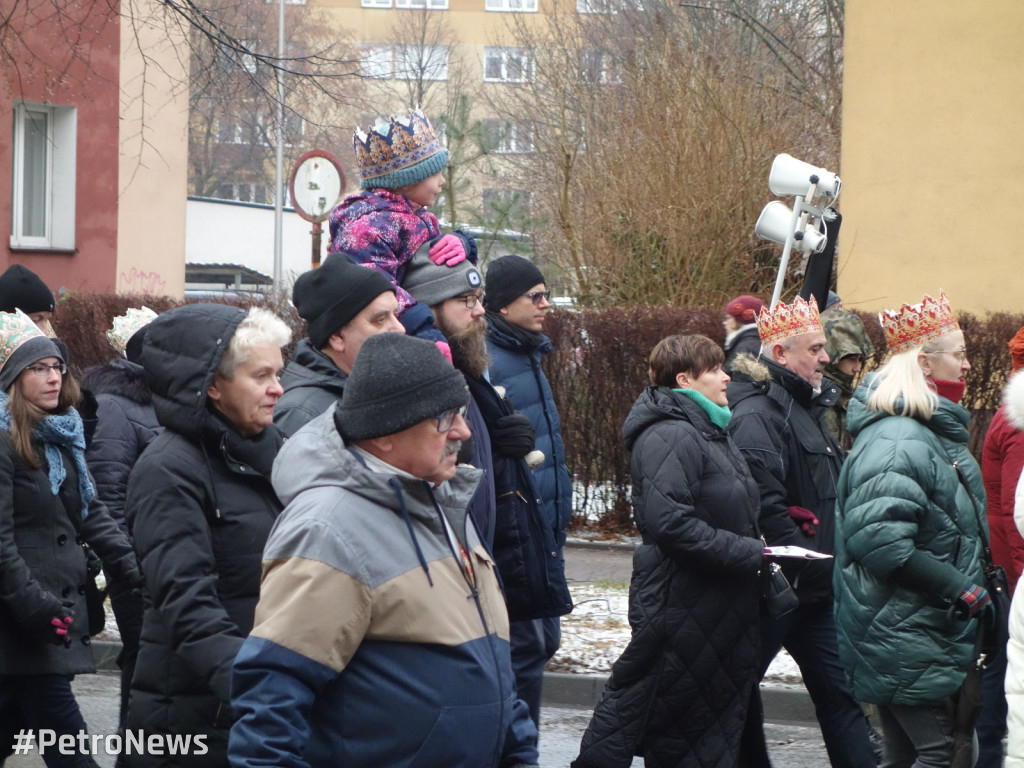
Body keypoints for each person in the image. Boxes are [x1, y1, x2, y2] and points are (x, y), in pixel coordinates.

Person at [229, 332, 540, 768]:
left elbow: (491, 663)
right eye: (445, 418)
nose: (463, 432)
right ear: (386, 434)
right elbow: (271, 700)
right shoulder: (328, 528)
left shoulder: (444, 502)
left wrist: (519, 751)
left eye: (463, 413)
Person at [572, 334, 765, 767]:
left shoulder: (711, 429)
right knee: (678, 733)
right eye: (714, 369)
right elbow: (670, 523)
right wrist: (751, 552)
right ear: (684, 379)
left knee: (703, 733)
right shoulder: (672, 434)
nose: (725, 376)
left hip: (715, 608)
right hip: (684, 606)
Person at [123, 304, 291, 768]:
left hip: (259, 705)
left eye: (278, 372)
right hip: (199, 718)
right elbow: (185, 600)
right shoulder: (167, 469)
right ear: (212, 386)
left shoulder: (275, 451)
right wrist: (258, 685)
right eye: (261, 376)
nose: (278, 388)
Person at [834, 290, 987, 768]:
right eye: (959, 356)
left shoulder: (922, 430)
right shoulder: (900, 438)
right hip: (902, 631)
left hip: (913, 629)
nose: (967, 367)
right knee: (944, 755)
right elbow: (881, 543)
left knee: (909, 756)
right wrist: (961, 588)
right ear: (924, 362)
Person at [727, 295, 876, 768]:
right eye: (814, 349)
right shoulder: (757, 415)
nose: (826, 358)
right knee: (736, 695)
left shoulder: (805, 405)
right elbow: (764, 507)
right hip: (777, 593)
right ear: (780, 355)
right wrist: (808, 553)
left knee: (842, 697)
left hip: (814, 592)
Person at [0, 309, 141, 768]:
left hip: (43, 623)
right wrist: (35, 606)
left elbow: (86, 510)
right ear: (12, 378)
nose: (52, 376)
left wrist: (131, 564)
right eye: (37, 368)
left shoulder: (58, 436)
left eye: (56, 366)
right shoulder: (4, 442)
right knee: (71, 749)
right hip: (22, 623)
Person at [402, 247, 572, 619]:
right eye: (467, 300)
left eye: (479, 299)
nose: (480, 310)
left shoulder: (492, 355)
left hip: (528, 529)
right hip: (490, 546)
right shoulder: (476, 357)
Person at [484, 254, 572, 727]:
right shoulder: (491, 361)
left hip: (545, 527)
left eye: (546, 295)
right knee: (526, 648)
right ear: (501, 306)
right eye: (534, 297)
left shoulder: (530, 351)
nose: (545, 305)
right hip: (516, 530)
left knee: (543, 643)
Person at [81, 307, 161, 763]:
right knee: (142, 660)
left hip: (155, 559)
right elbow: (107, 494)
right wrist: (126, 566)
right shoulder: (113, 406)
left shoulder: (157, 402)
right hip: (136, 565)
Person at [327, 108, 477, 339]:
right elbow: (376, 287)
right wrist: (423, 329)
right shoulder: (368, 227)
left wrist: (462, 243)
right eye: (434, 173)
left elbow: (437, 272)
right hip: (392, 337)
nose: (442, 181)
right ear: (406, 181)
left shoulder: (422, 218)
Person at [274, 258, 402, 436]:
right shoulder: (302, 415)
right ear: (337, 337)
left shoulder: (369, 392)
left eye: (396, 315)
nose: (400, 329)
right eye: (380, 320)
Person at [977, 325, 1024, 767]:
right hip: (1014, 569)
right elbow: (1016, 513)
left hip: (1012, 569)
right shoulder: (1020, 422)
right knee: (1007, 677)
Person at [821, 296, 875, 451]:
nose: (857, 368)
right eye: (851, 359)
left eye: (860, 359)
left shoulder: (844, 397)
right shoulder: (816, 401)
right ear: (831, 357)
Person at [722, 294, 765, 372]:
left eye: (728, 318)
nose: (724, 323)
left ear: (738, 321)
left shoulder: (744, 348)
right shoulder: (753, 342)